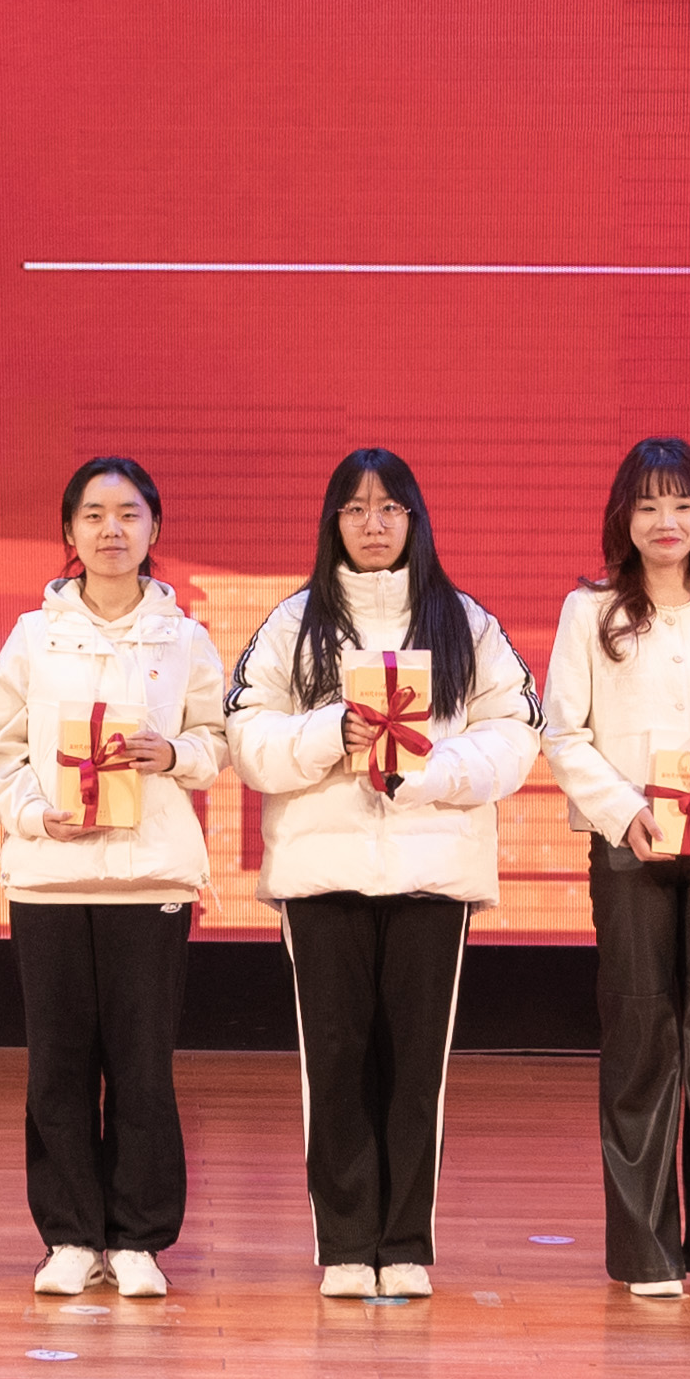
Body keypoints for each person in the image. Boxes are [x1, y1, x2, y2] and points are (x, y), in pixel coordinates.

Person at [227, 447, 542, 1304]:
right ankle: (344, 1243)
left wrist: (430, 772)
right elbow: (247, 737)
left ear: (415, 520)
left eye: (390, 508)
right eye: (356, 509)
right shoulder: (294, 622)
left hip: (431, 870)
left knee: (415, 1068)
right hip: (322, 872)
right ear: (333, 522)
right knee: (333, 1062)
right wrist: (330, 734)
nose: (374, 524)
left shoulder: (464, 622)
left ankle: (403, 1243)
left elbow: (518, 733)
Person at [0, 456, 230, 1299]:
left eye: (128, 514)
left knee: (143, 1064)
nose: (110, 530)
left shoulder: (184, 637)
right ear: (69, 532)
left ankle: (139, 1239)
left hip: (149, 879)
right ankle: (70, 1236)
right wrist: (34, 815)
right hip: (52, 878)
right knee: (58, 1065)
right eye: (93, 514)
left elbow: (217, 740)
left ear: (154, 528)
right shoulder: (32, 636)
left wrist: (174, 752)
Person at [542, 436, 690, 1302]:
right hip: (629, 846)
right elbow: (563, 733)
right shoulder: (590, 610)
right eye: (647, 506)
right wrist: (622, 812)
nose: (665, 521)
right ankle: (645, 1253)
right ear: (623, 519)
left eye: (681, 504)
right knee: (640, 1037)